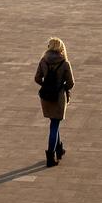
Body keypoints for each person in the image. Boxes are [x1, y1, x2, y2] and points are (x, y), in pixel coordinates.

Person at [34, 37, 74, 168]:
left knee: (54, 121)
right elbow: (71, 83)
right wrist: (61, 87)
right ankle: (50, 156)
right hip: (58, 97)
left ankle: (59, 149)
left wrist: (46, 84)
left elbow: (37, 78)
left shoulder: (43, 60)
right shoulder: (64, 63)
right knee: (54, 125)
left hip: (46, 97)